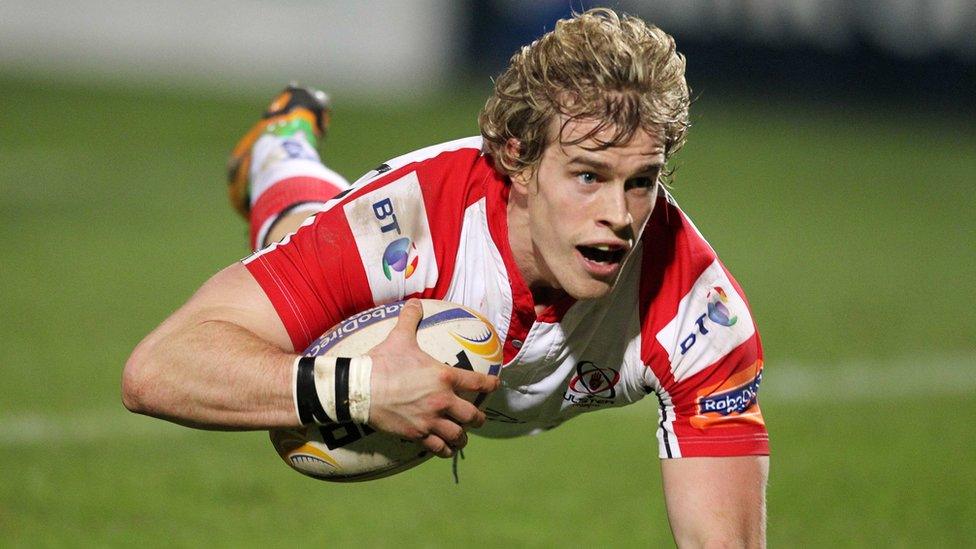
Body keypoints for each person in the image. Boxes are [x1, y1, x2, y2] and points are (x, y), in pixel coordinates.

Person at [123, 8, 769, 545]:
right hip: (399, 273)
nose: (617, 216)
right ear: (517, 158)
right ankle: (278, 150)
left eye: (641, 182)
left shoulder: (696, 309)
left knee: (308, 239)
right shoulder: (409, 222)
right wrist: (365, 388)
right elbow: (157, 370)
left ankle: (281, 155)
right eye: (587, 175)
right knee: (301, 238)